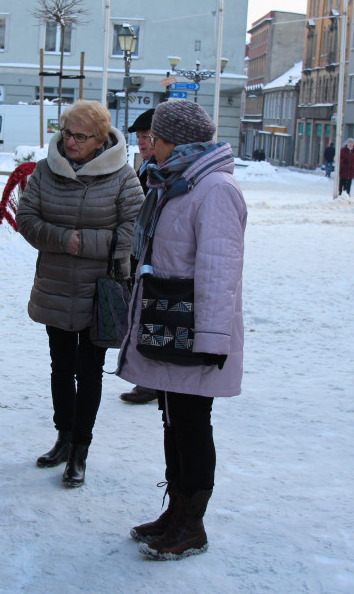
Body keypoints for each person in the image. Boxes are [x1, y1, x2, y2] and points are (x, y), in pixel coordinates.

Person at [116, 99, 246, 561]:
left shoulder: (214, 189)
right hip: (170, 325)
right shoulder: (178, 183)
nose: (151, 149)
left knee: (192, 425)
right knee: (174, 422)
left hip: (195, 331)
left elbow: (218, 269)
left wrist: (212, 340)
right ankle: (176, 511)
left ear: (180, 142)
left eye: (159, 141)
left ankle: (193, 525)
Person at [17, 100, 144, 488]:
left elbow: (133, 231)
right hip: (55, 285)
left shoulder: (123, 177)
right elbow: (26, 219)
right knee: (60, 366)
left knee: (89, 371)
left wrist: (83, 242)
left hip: (100, 291)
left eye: (81, 136)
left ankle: (80, 450)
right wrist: (60, 238)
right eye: (67, 133)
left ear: (100, 140)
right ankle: (63, 436)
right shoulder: (45, 171)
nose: (71, 142)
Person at [121, 108, 158, 405]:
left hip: (152, 257)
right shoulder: (146, 166)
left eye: (146, 137)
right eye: (139, 138)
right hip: (138, 252)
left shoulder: (159, 169)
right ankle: (146, 379)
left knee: (148, 316)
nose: (142, 143)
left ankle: (150, 382)